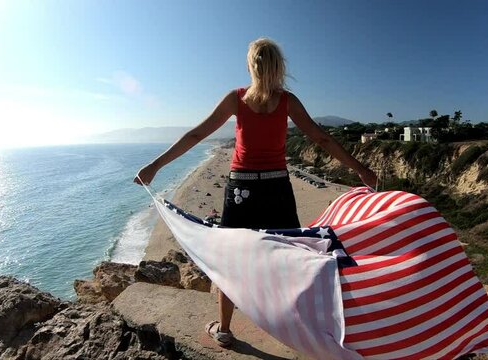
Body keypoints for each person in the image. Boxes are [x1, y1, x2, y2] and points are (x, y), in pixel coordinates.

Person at [134, 37, 377, 347]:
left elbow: (197, 134)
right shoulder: (287, 100)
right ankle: (299, 327)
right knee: (288, 254)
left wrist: (155, 166)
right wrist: (359, 169)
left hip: (242, 190)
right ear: (279, 68)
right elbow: (322, 139)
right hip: (277, 187)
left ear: (251, 66)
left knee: (230, 258)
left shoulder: (236, 99)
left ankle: (223, 329)